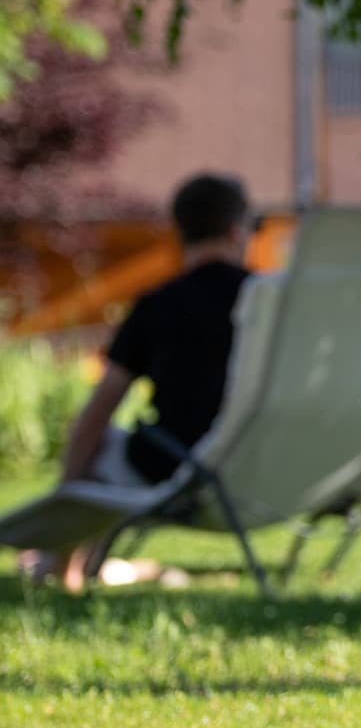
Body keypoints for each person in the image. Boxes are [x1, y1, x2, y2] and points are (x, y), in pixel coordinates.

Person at [26, 172, 253, 591]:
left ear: (180, 232)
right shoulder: (274, 308)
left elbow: (99, 411)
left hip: (177, 467)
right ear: (236, 231)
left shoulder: (158, 306)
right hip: (260, 469)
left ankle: (56, 563)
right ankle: (83, 566)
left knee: (98, 440)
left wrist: (64, 492)